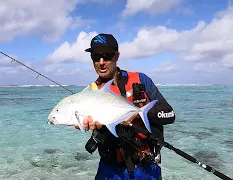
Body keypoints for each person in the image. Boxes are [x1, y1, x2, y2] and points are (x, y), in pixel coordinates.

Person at [75, 33, 175, 180]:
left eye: (107, 56)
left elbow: (170, 114)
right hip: (110, 169)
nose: (101, 62)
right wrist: (82, 123)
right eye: (96, 57)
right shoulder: (90, 92)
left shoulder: (141, 80)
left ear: (117, 56)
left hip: (146, 167)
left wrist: (140, 114)